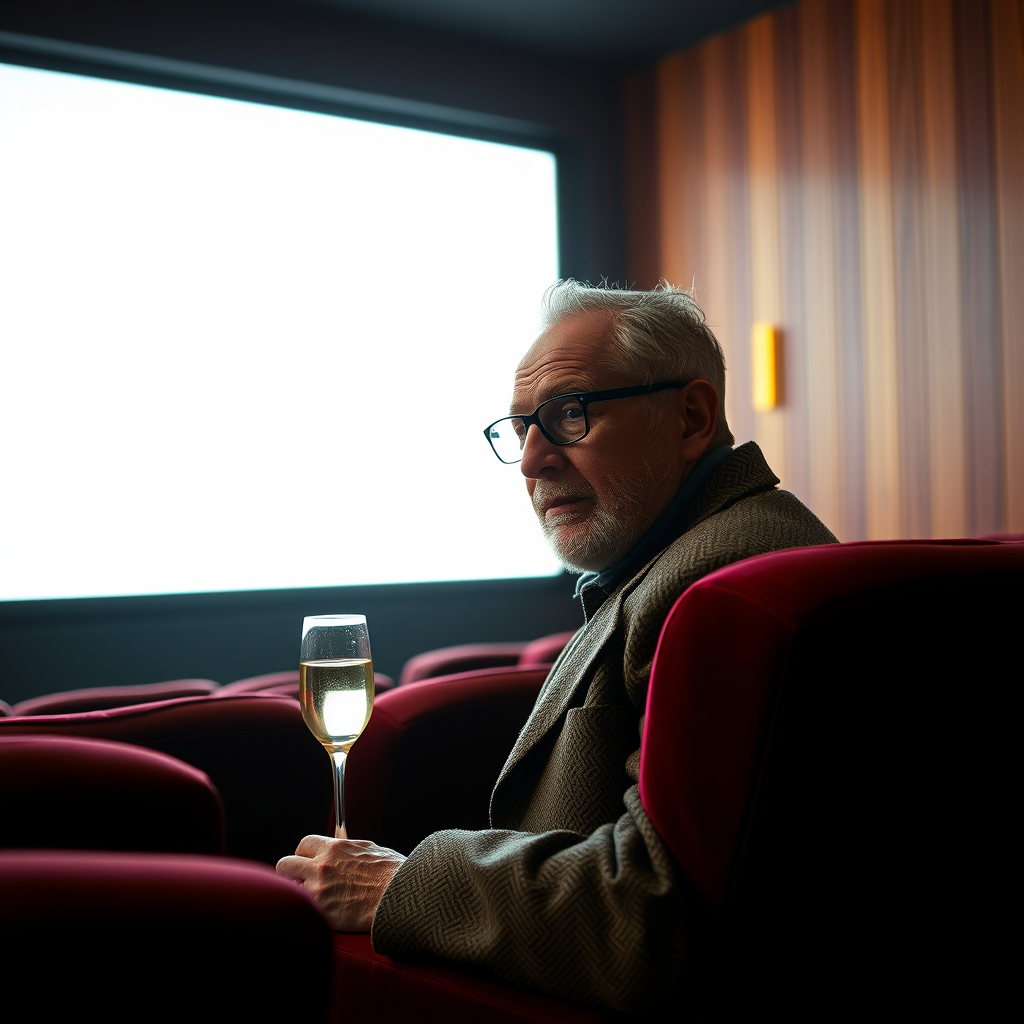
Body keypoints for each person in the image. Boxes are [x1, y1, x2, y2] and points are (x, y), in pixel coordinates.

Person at [277, 281, 838, 1013]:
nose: (531, 460)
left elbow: (651, 919)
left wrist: (397, 883)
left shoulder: (718, 583)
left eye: (570, 414)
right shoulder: (715, 552)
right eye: (520, 428)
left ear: (692, 418)